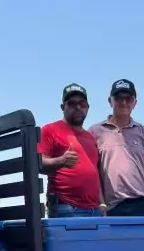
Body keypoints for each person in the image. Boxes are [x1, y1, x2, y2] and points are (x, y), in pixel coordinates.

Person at [89, 79, 144, 217]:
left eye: (128, 98)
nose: (123, 102)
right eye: (118, 98)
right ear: (110, 101)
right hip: (110, 207)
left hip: (142, 204)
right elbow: (93, 170)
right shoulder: (94, 132)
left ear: (135, 102)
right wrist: (101, 204)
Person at [38, 83, 104, 217]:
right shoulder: (49, 130)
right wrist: (61, 161)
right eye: (72, 103)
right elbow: (38, 164)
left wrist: (102, 204)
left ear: (88, 107)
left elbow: (95, 174)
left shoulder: (90, 137)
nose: (78, 107)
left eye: (82, 103)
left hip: (95, 210)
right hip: (66, 208)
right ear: (63, 107)